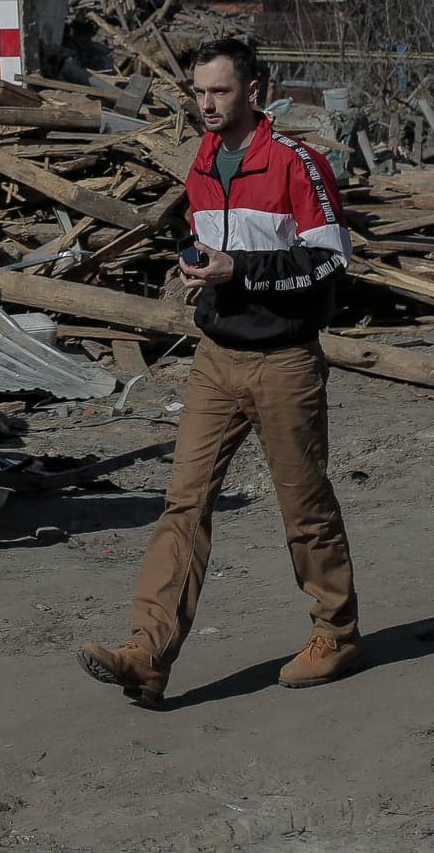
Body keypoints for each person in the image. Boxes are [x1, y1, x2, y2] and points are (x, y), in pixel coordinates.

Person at [76, 37, 361, 707]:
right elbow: (216, 246)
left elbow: (333, 261)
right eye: (199, 92)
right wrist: (201, 269)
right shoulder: (202, 166)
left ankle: (337, 633)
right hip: (216, 358)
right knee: (184, 501)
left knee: (304, 502)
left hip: (285, 359)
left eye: (220, 91)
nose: (206, 103)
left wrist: (244, 270)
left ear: (253, 90)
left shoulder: (296, 162)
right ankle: (147, 651)